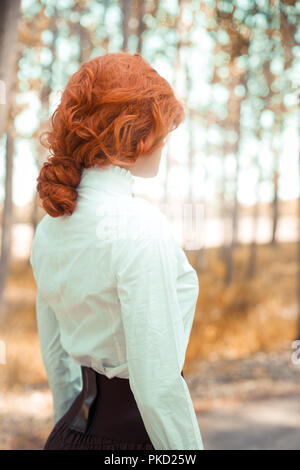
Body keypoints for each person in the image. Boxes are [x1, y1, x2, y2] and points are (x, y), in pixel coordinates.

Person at [30, 51, 204, 451]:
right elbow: (158, 385)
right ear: (141, 136)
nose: (164, 145)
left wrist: (66, 429)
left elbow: (58, 362)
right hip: (134, 442)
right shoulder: (140, 228)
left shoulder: (50, 227)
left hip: (68, 434)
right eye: (164, 133)